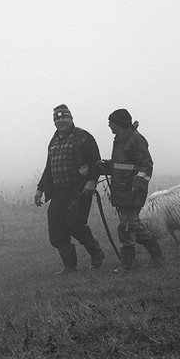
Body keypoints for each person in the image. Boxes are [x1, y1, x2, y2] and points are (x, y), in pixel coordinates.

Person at [34, 104, 106, 274]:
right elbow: (49, 167)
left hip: (79, 190)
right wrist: (40, 188)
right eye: (57, 118)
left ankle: (97, 253)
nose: (61, 121)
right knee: (57, 228)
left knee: (75, 225)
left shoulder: (83, 137)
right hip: (58, 192)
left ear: (71, 118)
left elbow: (96, 162)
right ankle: (69, 267)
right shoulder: (54, 141)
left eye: (64, 117)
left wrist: (92, 181)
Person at [98, 108, 165, 272]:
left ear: (119, 124)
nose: (109, 126)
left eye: (111, 122)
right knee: (135, 227)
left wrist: (138, 184)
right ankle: (158, 258)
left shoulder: (136, 139)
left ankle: (127, 265)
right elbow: (122, 164)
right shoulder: (121, 139)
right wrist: (106, 165)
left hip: (132, 192)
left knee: (126, 228)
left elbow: (146, 164)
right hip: (123, 192)